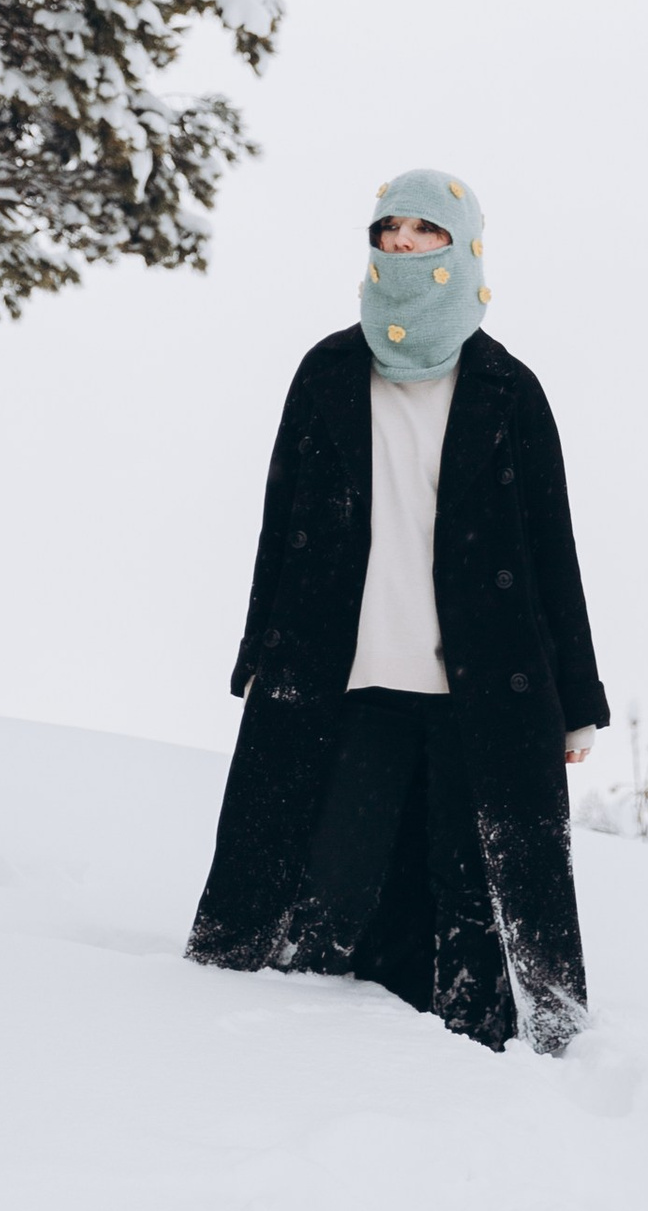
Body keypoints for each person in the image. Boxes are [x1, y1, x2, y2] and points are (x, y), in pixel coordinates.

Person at [186, 167, 606, 1051]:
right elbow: (282, 520)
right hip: (347, 668)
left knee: (474, 898)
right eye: (389, 229)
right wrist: (260, 648)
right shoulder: (330, 371)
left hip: (481, 682)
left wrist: (578, 699)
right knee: (320, 879)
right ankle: (273, 1044)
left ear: (464, 247)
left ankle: (493, 1061)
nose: (403, 244)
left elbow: (551, 550)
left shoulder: (508, 390)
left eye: (426, 230)